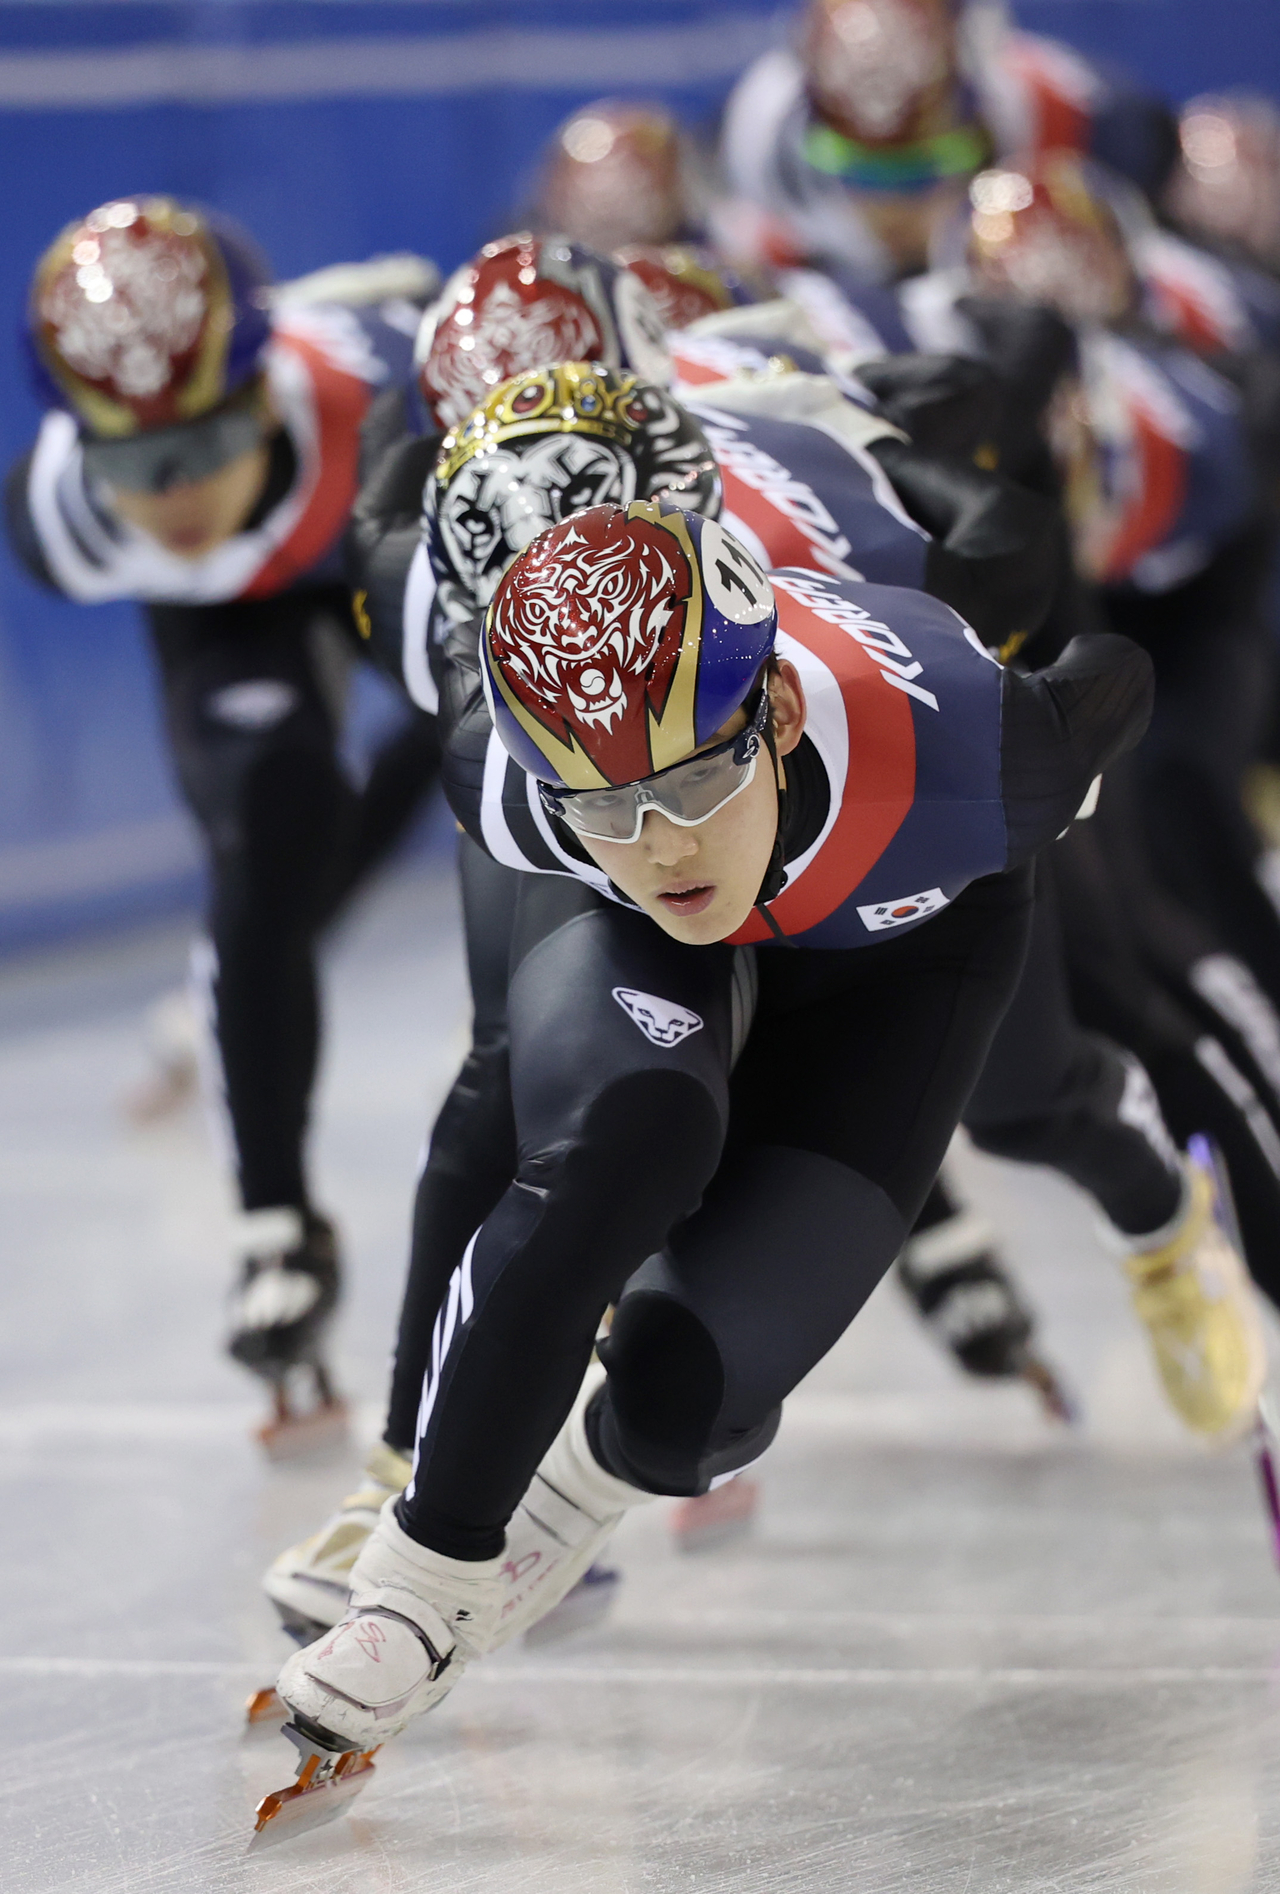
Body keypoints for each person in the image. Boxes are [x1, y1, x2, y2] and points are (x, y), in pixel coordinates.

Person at [252, 496, 1204, 1813]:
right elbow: (500, 1108)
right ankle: (415, 1577)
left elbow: (1116, 671)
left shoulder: (984, 757)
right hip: (633, 922)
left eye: (696, 778)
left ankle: (1160, 1216)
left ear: (784, 717)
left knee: (686, 1386)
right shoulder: (520, 789)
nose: (665, 845)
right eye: (610, 803)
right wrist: (427, 1553)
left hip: (905, 935)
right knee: (616, 1141)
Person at [4, 196, 438, 1451]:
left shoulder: (380, 387)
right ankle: (277, 1227)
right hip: (229, 618)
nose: (172, 491)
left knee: (503, 747)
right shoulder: (64, 528)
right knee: (271, 825)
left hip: (369, 523)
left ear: (261, 396)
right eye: (132, 462)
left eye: (199, 445)